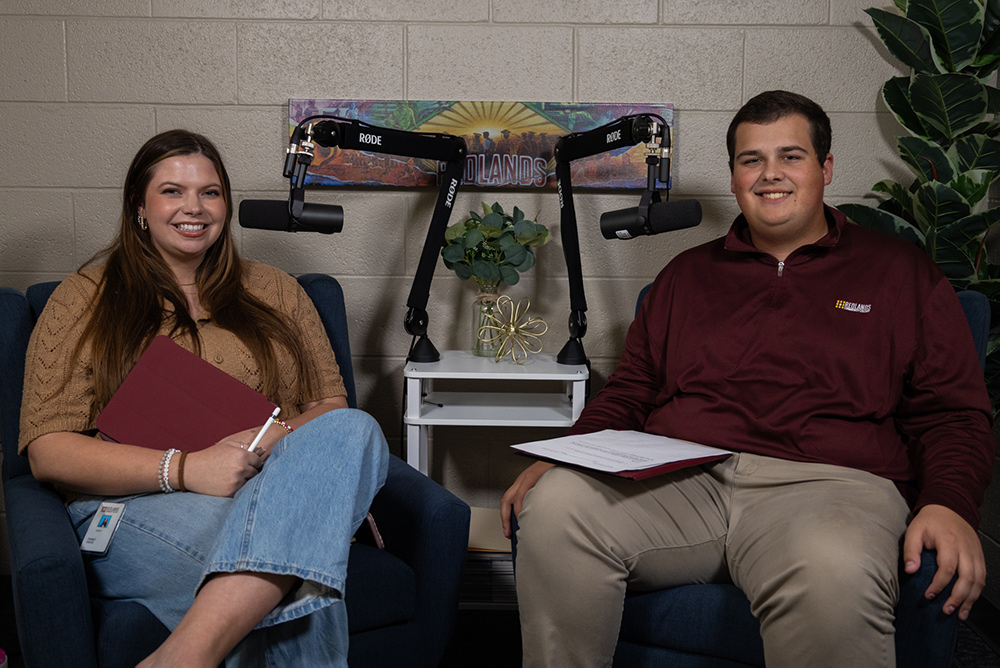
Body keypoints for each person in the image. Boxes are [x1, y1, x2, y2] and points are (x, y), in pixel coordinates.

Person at [501, 90, 995, 667]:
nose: (770, 174)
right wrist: (567, 454)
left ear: (826, 168)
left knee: (832, 568)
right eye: (751, 159)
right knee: (556, 507)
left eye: (791, 156)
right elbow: (633, 389)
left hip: (832, 487)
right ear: (735, 177)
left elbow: (953, 414)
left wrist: (949, 503)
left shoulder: (901, 274)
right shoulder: (685, 276)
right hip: (681, 479)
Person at [19, 129, 389, 667]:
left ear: (226, 205)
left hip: (268, 494)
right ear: (139, 206)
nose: (193, 207)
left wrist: (263, 442)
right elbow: (47, 451)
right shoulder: (83, 297)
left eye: (209, 192)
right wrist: (188, 468)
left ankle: (182, 655)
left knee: (358, 429)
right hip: (130, 507)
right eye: (172, 191)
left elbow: (331, 411)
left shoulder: (279, 291)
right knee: (294, 571)